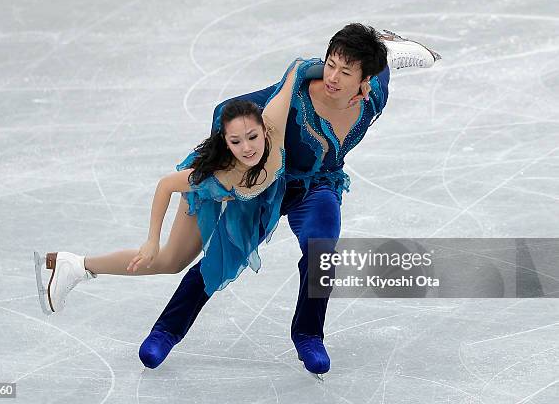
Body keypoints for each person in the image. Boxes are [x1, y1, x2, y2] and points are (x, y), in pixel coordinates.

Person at [135, 24, 442, 376]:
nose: (333, 77)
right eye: (330, 65)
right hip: (267, 184)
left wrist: (384, 53)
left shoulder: (373, 99)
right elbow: (228, 110)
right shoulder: (296, 92)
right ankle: (165, 331)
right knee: (222, 254)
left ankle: (308, 334)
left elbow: (379, 73)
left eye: (345, 72)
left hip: (318, 186)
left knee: (322, 250)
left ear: (364, 80)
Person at [34, 61, 303, 315]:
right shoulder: (217, 175)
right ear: (226, 143)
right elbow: (165, 185)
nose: (247, 148)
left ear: (265, 130)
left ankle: (76, 264)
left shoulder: (275, 127)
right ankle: (77, 265)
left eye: (252, 137)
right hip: (208, 196)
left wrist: (336, 70)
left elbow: (297, 69)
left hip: (247, 193)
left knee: (175, 261)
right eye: (236, 142)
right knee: (170, 261)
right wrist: (152, 239)